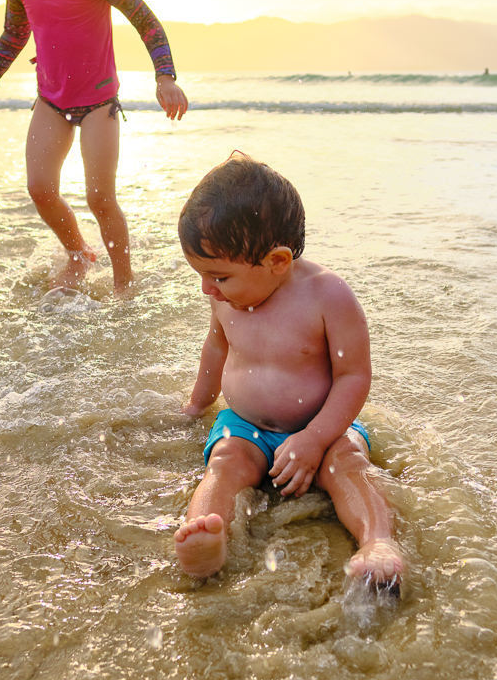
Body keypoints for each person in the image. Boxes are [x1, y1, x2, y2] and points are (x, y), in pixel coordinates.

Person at [173, 152, 404, 590]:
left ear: (277, 262)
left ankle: (378, 543)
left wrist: (316, 438)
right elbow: (216, 347)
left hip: (324, 426)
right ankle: (205, 536)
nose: (207, 289)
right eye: (202, 275)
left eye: (218, 277)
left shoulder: (327, 297)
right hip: (245, 426)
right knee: (224, 463)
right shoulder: (225, 296)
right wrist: (196, 405)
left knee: (348, 464)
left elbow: (354, 376)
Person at [0, 0, 188, 295]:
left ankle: (123, 281)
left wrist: (165, 77)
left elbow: (144, 19)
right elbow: (15, 33)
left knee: (100, 198)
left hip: (100, 103)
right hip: (50, 100)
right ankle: (78, 253)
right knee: (40, 188)